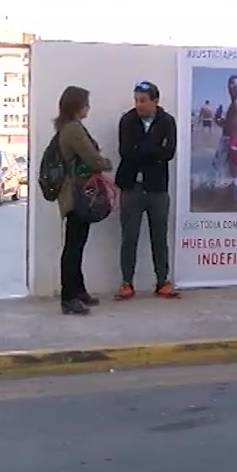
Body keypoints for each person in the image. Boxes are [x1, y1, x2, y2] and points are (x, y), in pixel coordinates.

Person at [115, 80, 179, 300]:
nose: (139, 105)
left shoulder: (167, 121)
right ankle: (127, 283)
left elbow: (169, 152)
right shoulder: (127, 120)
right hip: (132, 187)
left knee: (159, 237)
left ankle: (162, 281)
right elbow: (125, 152)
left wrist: (141, 149)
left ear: (155, 100)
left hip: (157, 188)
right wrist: (154, 148)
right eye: (136, 100)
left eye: (143, 101)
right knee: (129, 237)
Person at [54, 85, 113, 315]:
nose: (89, 107)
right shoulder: (73, 130)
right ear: (77, 106)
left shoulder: (70, 127)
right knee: (73, 246)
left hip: (79, 193)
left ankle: (78, 290)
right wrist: (106, 163)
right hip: (76, 195)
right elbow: (93, 159)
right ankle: (69, 296)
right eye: (86, 103)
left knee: (77, 244)